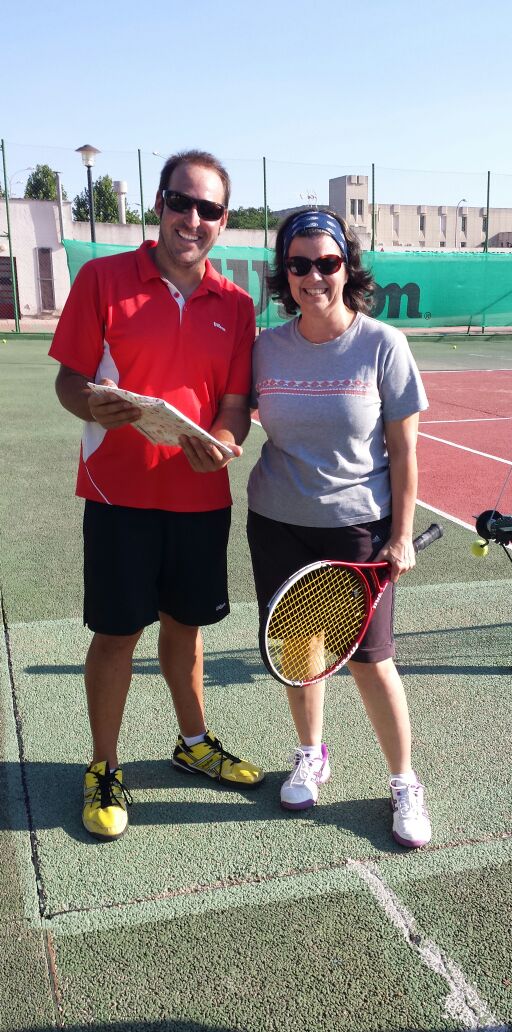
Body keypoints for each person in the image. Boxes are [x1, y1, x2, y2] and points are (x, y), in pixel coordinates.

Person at [49, 149, 264, 842]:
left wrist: (223, 442)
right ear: (159, 205)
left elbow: (234, 407)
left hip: (200, 498)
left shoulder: (237, 305)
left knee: (187, 629)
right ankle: (104, 767)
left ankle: (192, 744)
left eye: (208, 209)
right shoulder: (102, 278)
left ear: (223, 221)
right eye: (180, 202)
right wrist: (91, 404)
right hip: (118, 495)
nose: (191, 219)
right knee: (117, 635)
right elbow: (69, 381)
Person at [246, 209, 431, 848]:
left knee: (372, 663)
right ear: (285, 273)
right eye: (299, 264)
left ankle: (404, 780)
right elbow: (233, 415)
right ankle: (311, 754)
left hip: (358, 528)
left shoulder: (383, 345)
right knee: (301, 656)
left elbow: (404, 451)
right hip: (277, 522)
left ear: (347, 267)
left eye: (327, 262)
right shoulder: (266, 348)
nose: (314, 276)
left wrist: (401, 534)